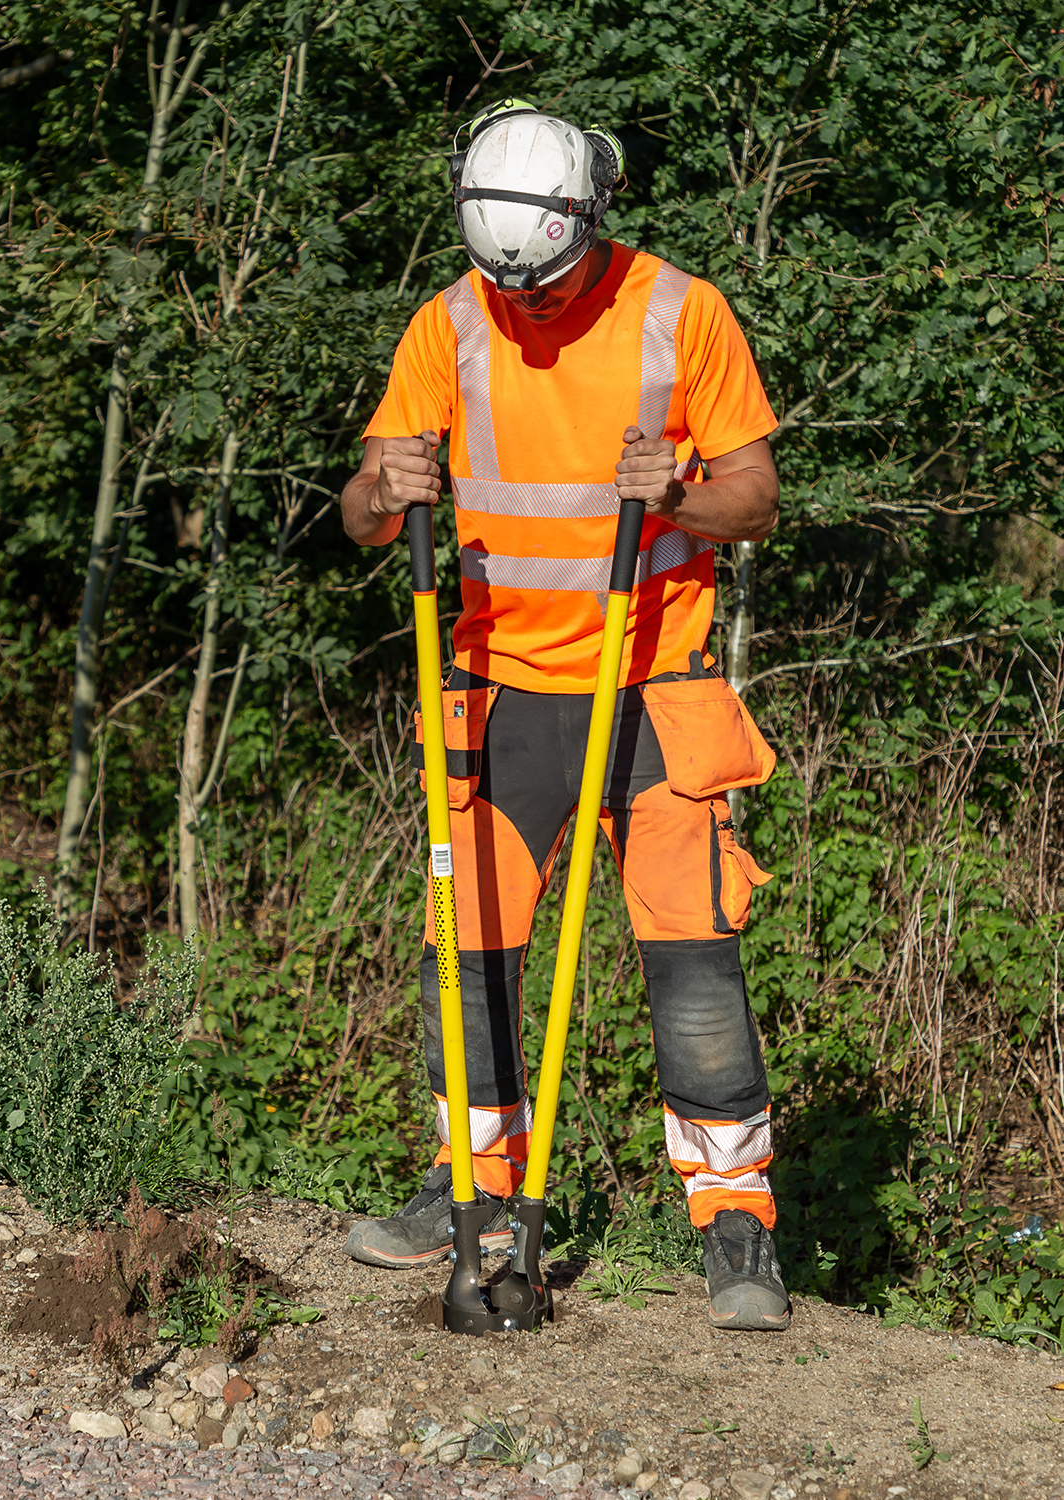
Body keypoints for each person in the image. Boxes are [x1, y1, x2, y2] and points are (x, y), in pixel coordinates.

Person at [338, 101, 789, 1330]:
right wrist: (385, 488)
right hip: (500, 694)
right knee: (469, 950)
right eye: (508, 288)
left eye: (548, 285)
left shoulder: (679, 312)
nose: (529, 309)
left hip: (654, 688)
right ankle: (468, 1192)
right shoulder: (446, 322)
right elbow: (362, 511)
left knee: (692, 963)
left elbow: (757, 495)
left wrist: (685, 495)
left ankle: (736, 1227)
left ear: (594, 219)